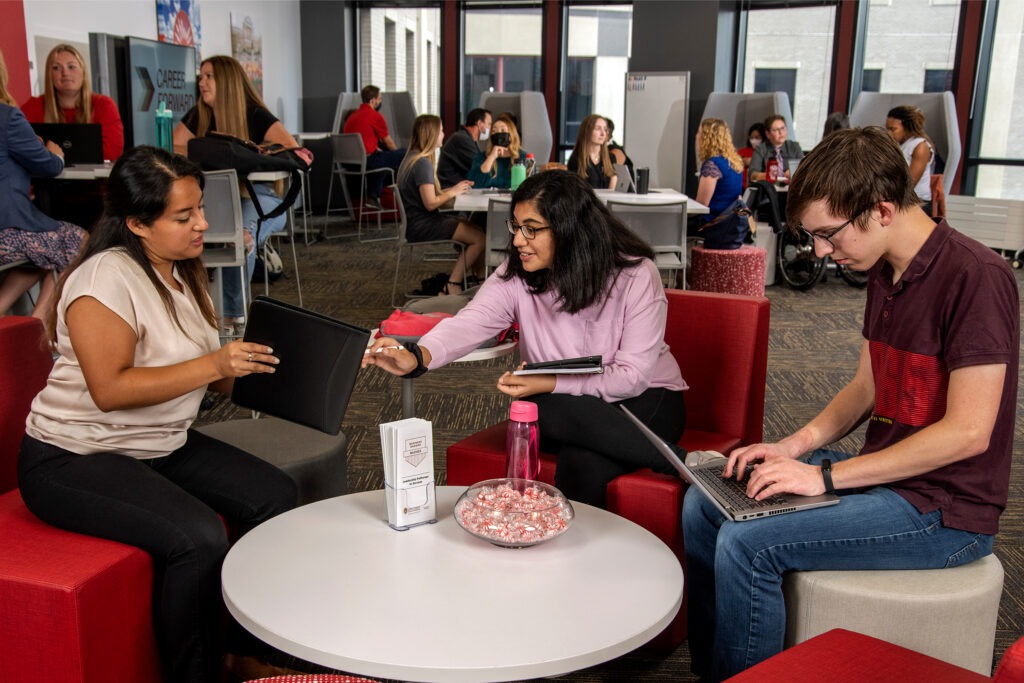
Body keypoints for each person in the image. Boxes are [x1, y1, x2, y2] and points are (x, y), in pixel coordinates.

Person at [682, 126, 1019, 682]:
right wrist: (793, 447)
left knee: (748, 542)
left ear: (881, 211)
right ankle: (714, 670)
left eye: (827, 235)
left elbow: (969, 433)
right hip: (890, 483)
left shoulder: (978, 277)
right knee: (708, 501)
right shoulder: (886, 271)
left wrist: (828, 477)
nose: (819, 251)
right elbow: (867, 387)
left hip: (946, 512)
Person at [18, 146, 299, 683]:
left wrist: (289, 360)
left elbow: (211, 375)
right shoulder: (105, 279)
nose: (203, 223)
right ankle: (195, 675)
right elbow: (111, 389)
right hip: (73, 456)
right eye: (185, 215)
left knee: (274, 496)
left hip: (156, 443)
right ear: (137, 223)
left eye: (200, 209)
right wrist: (216, 360)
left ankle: (240, 652)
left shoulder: (180, 272)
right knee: (196, 538)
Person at [364, 171, 687, 507]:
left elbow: (632, 378)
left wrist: (550, 381)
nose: (518, 240)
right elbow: (473, 321)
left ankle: (675, 461)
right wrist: (419, 356)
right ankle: (681, 463)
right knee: (545, 410)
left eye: (531, 229)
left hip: (645, 400)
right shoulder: (518, 272)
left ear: (569, 229)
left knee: (578, 457)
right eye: (516, 227)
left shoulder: (635, 274)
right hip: (570, 409)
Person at [172, 54, 299, 335]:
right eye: (201, 77)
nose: (201, 83)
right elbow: (175, 146)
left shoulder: (255, 114)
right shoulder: (199, 114)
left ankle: (234, 318)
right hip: (222, 201)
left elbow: (290, 147)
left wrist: (250, 154)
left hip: (263, 199)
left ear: (227, 82)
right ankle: (202, 315)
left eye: (209, 77)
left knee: (242, 234)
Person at [0, 48, 86, 317]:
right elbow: (47, 165)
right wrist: (55, 154)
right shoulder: (7, 117)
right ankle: (37, 327)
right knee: (78, 240)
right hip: (8, 230)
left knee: (45, 251)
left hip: (17, 232)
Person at [397, 114, 483, 295]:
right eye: (441, 130)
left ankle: (479, 279)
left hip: (417, 223)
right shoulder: (422, 164)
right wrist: (452, 192)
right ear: (432, 134)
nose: (444, 134)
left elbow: (429, 196)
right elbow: (430, 203)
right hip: (423, 225)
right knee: (480, 238)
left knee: (475, 229)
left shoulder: (411, 159)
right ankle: (453, 284)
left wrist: (454, 189)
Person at [20, 43, 124, 161]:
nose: (65, 73)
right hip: (46, 178)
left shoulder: (104, 105)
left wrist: (52, 155)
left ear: (83, 71)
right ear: (49, 75)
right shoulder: (33, 106)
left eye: (71, 66)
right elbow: (22, 149)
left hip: (93, 179)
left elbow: (112, 153)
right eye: (56, 68)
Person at [343, 84, 406, 209]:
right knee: (405, 153)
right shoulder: (375, 116)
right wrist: (398, 157)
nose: (380, 101)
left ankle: (373, 196)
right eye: (380, 99)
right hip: (367, 161)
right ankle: (376, 195)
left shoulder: (352, 117)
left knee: (383, 160)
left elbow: (363, 141)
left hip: (350, 163)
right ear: (373, 100)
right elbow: (389, 143)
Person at [886, 104, 935, 215]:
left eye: (893, 129)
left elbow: (910, 183)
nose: (889, 133)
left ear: (906, 127)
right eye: (887, 129)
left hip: (919, 203)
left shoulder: (920, 146)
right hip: (899, 200)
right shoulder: (900, 145)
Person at [693, 118, 744, 223]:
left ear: (706, 138)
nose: (696, 136)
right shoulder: (734, 162)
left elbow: (701, 205)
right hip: (730, 222)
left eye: (699, 133)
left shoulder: (712, 165)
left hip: (713, 223)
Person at [467, 113, 527, 189]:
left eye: (503, 130)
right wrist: (491, 157)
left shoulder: (523, 157)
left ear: (511, 135)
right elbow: (474, 184)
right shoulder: (481, 157)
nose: (498, 134)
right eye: (494, 131)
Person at [438, 107, 491, 187]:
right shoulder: (462, 139)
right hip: (450, 190)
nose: (489, 128)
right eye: (489, 124)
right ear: (479, 123)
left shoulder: (468, 139)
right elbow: (480, 167)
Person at [567, 114, 617, 190]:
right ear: (587, 131)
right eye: (598, 129)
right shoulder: (576, 159)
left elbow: (612, 189)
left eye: (605, 130)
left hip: (607, 200)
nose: (603, 134)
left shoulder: (611, 158)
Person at [749, 114, 802, 183]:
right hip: (768, 189)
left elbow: (803, 168)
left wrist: (793, 172)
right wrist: (769, 175)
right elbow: (753, 174)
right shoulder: (760, 149)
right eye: (776, 130)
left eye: (783, 128)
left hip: (790, 188)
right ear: (768, 134)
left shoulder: (794, 147)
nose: (781, 132)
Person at [737, 122, 766, 188]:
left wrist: (754, 162)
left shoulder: (766, 152)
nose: (753, 140)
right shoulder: (742, 151)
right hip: (741, 186)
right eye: (751, 138)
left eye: (757, 138)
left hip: (760, 185)